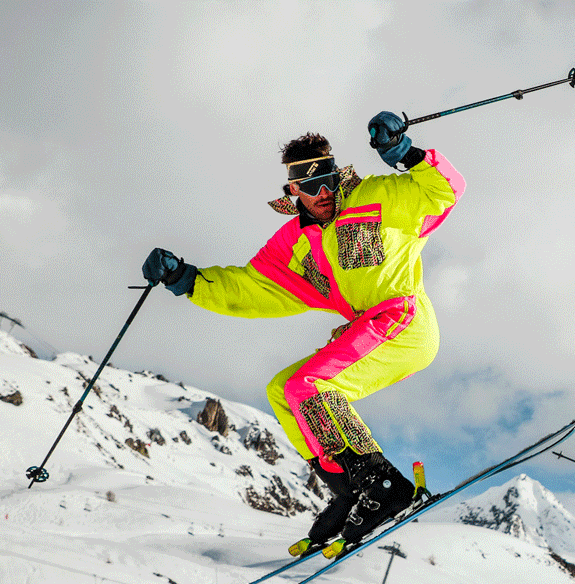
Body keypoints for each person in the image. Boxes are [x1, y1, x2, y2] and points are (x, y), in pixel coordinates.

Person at [141, 112, 464, 558]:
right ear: (292, 191)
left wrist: (405, 153)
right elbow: (250, 287)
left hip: (403, 320)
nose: (323, 194)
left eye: (329, 181)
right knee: (283, 391)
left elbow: (446, 190)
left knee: (309, 385)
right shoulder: (295, 245)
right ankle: (349, 487)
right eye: (310, 188)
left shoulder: (379, 197)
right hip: (365, 329)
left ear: (339, 174)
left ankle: (384, 484)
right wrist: (186, 278)